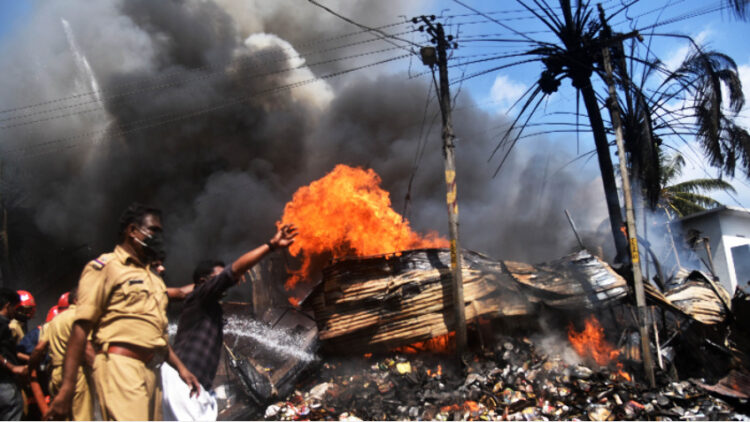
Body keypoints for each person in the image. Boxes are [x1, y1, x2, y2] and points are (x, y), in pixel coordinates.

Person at [45, 203, 200, 421]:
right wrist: (67, 389)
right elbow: (80, 330)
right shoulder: (105, 267)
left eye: (160, 232)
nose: (157, 237)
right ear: (132, 230)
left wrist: (182, 369)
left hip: (151, 370)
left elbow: (155, 335)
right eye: (152, 230)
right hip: (120, 366)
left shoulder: (152, 277)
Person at [162, 223, 297, 421]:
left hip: (195, 389)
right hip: (181, 383)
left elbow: (186, 290)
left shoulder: (203, 300)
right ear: (204, 281)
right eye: (218, 277)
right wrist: (271, 245)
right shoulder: (200, 297)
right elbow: (230, 273)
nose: (224, 281)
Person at [29, 288, 94, 421]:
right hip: (77, 374)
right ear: (76, 300)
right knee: (82, 416)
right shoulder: (80, 317)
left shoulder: (54, 321)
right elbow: (86, 348)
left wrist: (29, 369)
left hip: (56, 374)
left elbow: (39, 348)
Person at [0, 288, 26, 420]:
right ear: (8, 306)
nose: (16, 312)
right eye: (15, 307)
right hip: (5, 383)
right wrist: (12, 367)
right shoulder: (1, 323)